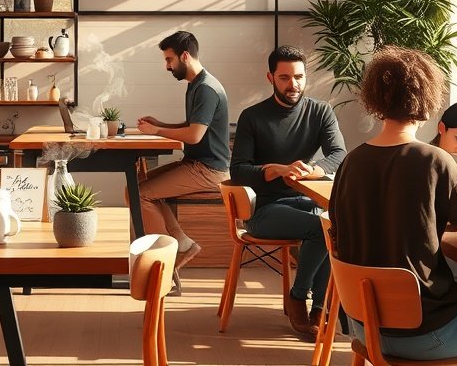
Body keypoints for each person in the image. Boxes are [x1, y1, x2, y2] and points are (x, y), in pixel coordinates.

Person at [328, 46, 457, 366]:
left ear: (376, 99)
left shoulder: (350, 162)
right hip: (423, 333)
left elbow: (346, 231)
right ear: (427, 101)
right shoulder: (435, 160)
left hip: (364, 326)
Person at [230, 45, 347, 339]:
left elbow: (339, 154)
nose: (293, 84)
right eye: (284, 77)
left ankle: (320, 308)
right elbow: (238, 170)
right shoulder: (252, 117)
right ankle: (298, 297)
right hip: (265, 209)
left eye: (298, 76)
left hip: (307, 202)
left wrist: (313, 169)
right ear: (270, 77)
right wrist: (276, 169)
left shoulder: (320, 111)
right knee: (322, 229)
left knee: (333, 226)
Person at [134, 30, 231, 271]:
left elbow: (194, 135)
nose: (167, 66)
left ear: (185, 56)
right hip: (197, 164)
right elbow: (193, 126)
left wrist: (156, 132)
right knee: (136, 187)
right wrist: (161, 124)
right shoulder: (197, 84)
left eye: (169, 59)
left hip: (209, 170)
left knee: (141, 195)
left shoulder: (206, 89)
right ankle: (183, 244)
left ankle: (160, 261)